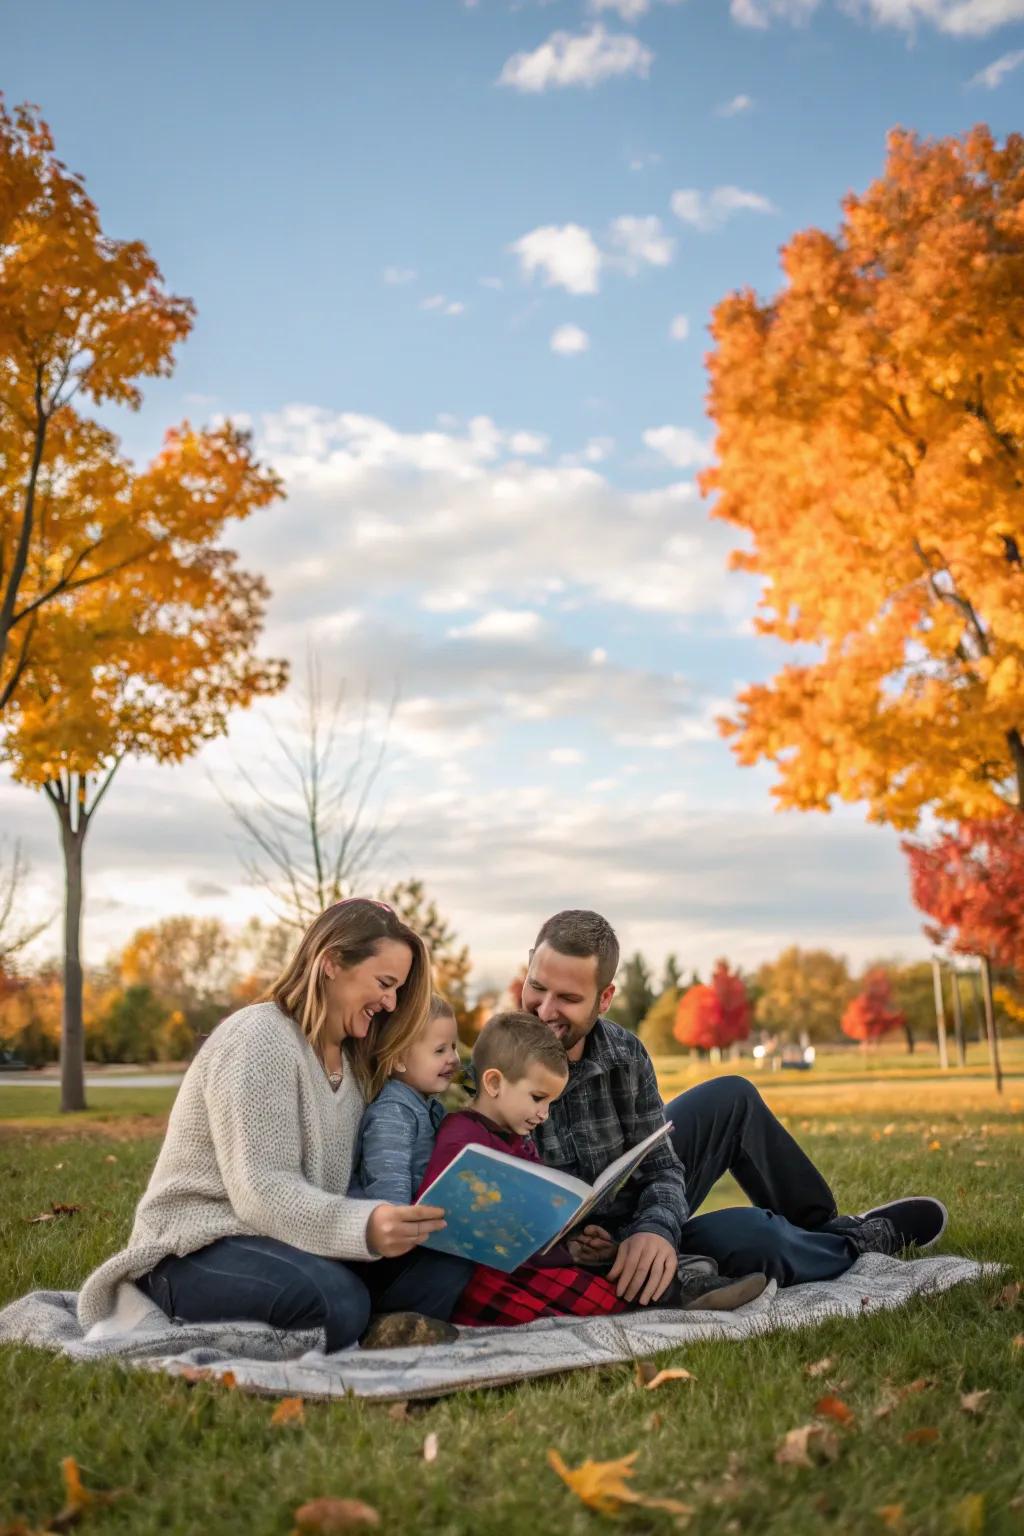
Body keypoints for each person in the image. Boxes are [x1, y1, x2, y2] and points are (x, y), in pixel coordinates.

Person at [76, 899, 471, 1353]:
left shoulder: (355, 1065)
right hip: (199, 1245)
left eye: (398, 990)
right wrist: (365, 1225)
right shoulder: (260, 1036)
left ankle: (356, 1330)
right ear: (331, 962)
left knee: (446, 1265)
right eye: (385, 983)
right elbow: (261, 1191)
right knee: (336, 1301)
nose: (390, 1002)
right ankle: (173, 1322)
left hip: (299, 1244)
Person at [522, 910, 948, 1306]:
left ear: (604, 998)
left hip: (637, 1212)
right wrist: (602, 1246)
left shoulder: (624, 1052)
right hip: (584, 1251)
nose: (544, 1011)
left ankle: (824, 1227)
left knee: (733, 1095)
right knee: (761, 1240)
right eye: (537, 988)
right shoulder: (495, 1064)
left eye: (567, 999)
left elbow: (662, 1168)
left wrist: (653, 1227)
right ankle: (847, 1247)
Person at [416, 1011, 767, 1327]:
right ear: (493, 1083)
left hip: (532, 1260)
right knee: (584, 1293)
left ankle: (673, 1281)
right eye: (538, 1098)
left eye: (551, 1103)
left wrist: (571, 1245)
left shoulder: (518, 1137)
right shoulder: (460, 1137)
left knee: (585, 1276)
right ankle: (677, 1288)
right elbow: (441, 1212)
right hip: (487, 1273)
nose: (544, 1114)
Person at [353, 993, 461, 1203]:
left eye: (454, 1047)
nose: (453, 1059)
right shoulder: (393, 1113)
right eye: (440, 1050)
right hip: (406, 1229)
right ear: (399, 1060)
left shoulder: (427, 1106)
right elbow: (389, 1191)